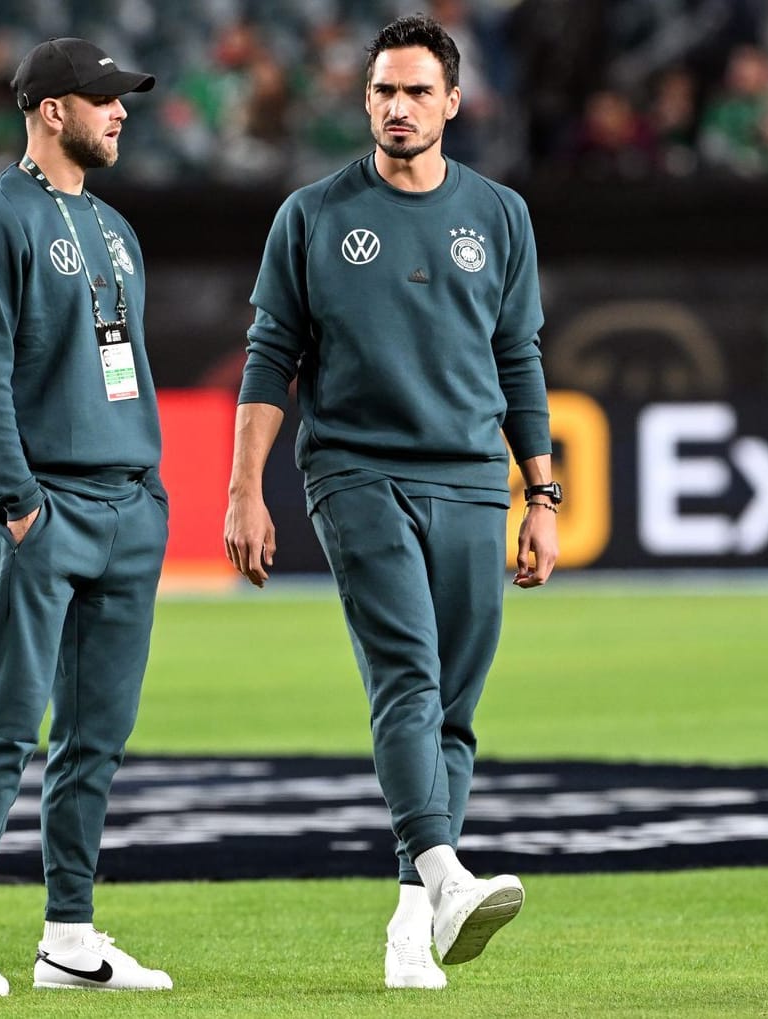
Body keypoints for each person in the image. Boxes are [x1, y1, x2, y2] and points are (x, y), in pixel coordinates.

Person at [223, 13, 559, 992]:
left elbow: (518, 358)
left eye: (417, 91)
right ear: (363, 101)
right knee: (407, 673)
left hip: (467, 477)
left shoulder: (500, 216)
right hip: (354, 471)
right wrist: (245, 487)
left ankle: (413, 919)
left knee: (454, 706)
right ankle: (448, 870)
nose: (398, 107)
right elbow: (268, 357)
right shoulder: (313, 215)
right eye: (382, 92)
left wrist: (541, 493)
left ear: (454, 101)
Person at [0, 36, 172, 996]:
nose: (119, 112)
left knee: (96, 737)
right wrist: (17, 504)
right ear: (48, 109)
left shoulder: (114, 229)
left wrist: (148, 493)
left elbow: (123, 366)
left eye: (122, 99)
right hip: (43, 510)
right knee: (7, 725)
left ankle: (69, 933)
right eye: (101, 98)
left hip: (126, 506)